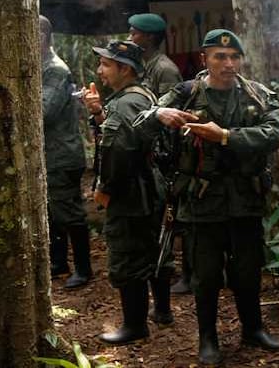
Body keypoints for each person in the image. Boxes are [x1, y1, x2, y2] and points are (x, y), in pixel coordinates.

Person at [135, 29, 279, 365]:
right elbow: (141, 121)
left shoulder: (257, 95)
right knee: (206, 274)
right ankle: (208, 339)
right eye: (220, 57)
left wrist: (226, 136)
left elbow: (273, 134)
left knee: (247, 269)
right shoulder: (186, 93)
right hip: (202, 202)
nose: (229, 63)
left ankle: (253, 329)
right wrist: (160, 114)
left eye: (234, 57)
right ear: (205, 59)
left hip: (246, 199)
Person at [82, 40, 161, 344]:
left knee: (127, 257)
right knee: (141, 252)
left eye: (106, 64)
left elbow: (119, 153)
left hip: (130, 192)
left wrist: (105, 189)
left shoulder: (126, 103)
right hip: (143, 186)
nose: (100, 71)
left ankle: (135, 325)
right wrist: (100, 114)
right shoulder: (137, 96)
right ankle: (148, 316)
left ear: (125, 69)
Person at [128, 12, 191, 300]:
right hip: (155, 152)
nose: (131, 37)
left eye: (135, 33)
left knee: (179, 216)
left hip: (168, 155)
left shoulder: (164, 69)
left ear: (150, 37)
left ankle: (188, 274)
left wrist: (169, 158)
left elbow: (172, 119)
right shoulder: (145, 65)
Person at [40, 16, 92, 289]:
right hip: (50, 154)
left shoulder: (55, 70)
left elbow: (44, 112)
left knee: (69, 213)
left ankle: (84, 269)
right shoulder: (42, 66)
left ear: (44, 36)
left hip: (61, 155)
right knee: (52, 211)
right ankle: (59, 262)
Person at [127, 13, 182, 97]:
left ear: (149, 37)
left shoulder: (165, 70)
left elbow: (171, 106)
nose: (129, 39)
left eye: (133, 34)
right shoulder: (141, 64)